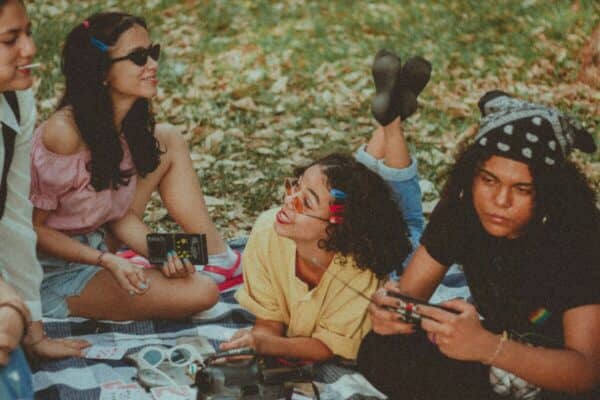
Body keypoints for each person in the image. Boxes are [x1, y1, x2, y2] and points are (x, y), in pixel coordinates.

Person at [358, 91, 600, 399]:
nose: (501, 201)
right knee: (381, 350)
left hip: (558, 371)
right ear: (470, 177)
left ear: (549, 193)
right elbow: (410, 298)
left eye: (522, 189)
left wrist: (488, 348)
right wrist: (390, 313)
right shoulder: (462, 211)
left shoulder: (579, 235)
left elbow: (587, 372)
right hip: (491, 357)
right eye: (489, 181)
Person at [29, 12, 241, 321]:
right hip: (53, 271)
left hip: (98, 239)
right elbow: (33, 230)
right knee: (204, 293)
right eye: (139, 57)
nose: (153, 65)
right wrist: (105, 260)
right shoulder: (64, 133)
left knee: (167, 137)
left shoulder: (125, 119)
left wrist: (161, 255)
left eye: (152, 53)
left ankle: (219, 256)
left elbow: (117, 215)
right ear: (102, 72)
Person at [220, 50, 429, 361]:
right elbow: (269, 322)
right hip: (355, 217)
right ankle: (392, 113)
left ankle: (393, 121)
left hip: (400, 248)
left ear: (335, 227)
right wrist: (255, 342)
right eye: (296, 185)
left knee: (408, 212)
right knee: (357, 183)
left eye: (306, 201)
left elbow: (325, 347)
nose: (288, 200)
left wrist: (267, 344)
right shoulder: (266, 230)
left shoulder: (361, 270)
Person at [0, 0, 89, 370]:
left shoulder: (18, 101)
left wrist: (33, 327)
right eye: (10, 39)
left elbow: (16, 219)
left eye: (29, 33)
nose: (30, 50)